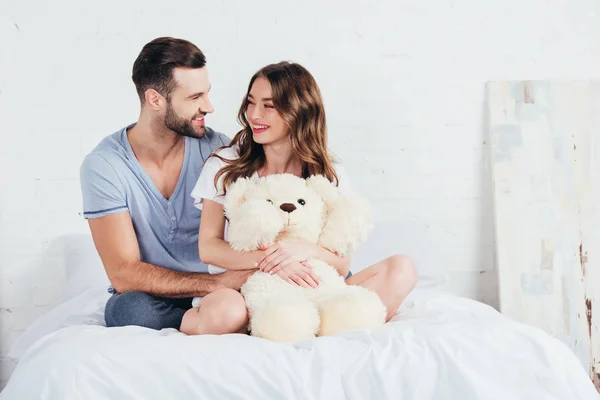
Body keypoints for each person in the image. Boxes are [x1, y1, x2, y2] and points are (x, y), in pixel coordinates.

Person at [184, 61, 418, 335]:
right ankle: (221, 320)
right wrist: (273, 261)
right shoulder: (226, 163)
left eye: (268, 106)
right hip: (245, 286)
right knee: (226, 314)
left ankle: (314, 322)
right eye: (251, 102)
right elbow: (209, 248)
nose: (254, 115)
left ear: (299, 111)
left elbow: (342, 264)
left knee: (402, 270)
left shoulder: (328, 174)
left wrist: (305, 252)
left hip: (313, 286)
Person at [80, 37, 256, 334]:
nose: (208, 107)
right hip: (157, 296)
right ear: (155, 100)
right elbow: (124, 273)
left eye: (207, 94)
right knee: (130, 311)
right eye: (194, 98)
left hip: (221, 293)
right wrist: (217, 283)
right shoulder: (105, 166)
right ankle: (213, 322)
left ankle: (213, 318)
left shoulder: (219, 151)